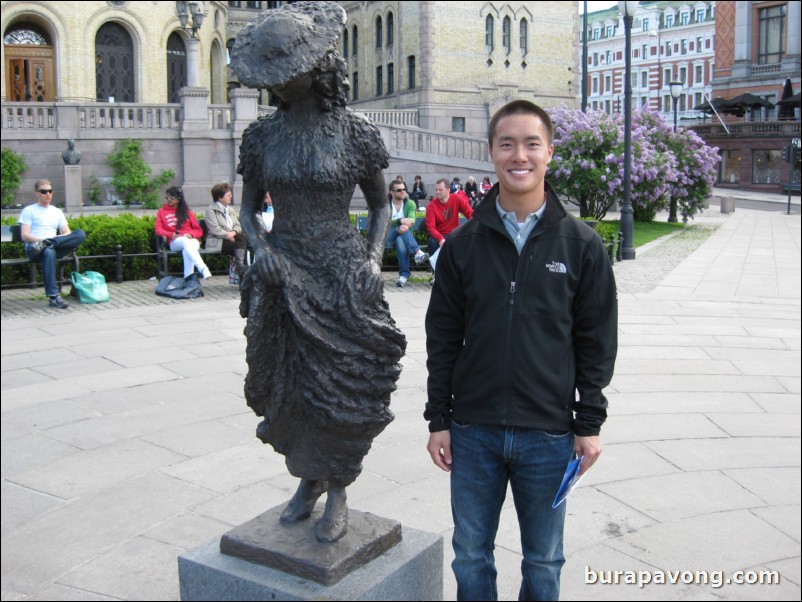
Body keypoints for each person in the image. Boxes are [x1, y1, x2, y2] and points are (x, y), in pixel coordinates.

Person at [424, 100, 618, 601]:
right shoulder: (464, 246)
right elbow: (443, 336)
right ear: (491, 152)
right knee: (470, 556)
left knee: (545, 562)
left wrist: (589, 423)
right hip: (474, 432)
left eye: (532, 143)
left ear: (549, 151)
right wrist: (438, 417)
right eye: (507, 143)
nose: (520, 155)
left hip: (548, 435)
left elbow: (596, 341)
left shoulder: (581, 245)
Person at [231, 1, 405, 543]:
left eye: (287, 75)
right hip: (284, 270)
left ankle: (341, 488)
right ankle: (308, 479)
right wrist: (262, 249)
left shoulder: (355, 133)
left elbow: (380, 207)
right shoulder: (262, 137)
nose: (278, 86)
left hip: (341, 271)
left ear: (316, 69)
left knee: (344, 388)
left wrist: (373, 259)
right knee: (287, 382)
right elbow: (245, 209)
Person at [18, 179, 87, 309]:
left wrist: (52, 240)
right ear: (37, 193)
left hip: (52, 246)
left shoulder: (57, 212)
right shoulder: (29, 210)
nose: (48, 194)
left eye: (50, 191)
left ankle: (49, 242)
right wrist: (40, 241)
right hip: (35, 248)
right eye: (44, 191)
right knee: (48, 251)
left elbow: (67, 233)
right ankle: (54, 297)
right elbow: (24, 235)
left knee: (80, 234)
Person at [154, 186, 212, 280]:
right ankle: (203, 268)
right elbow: (158, 229)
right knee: (185, 241)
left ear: (178, 199)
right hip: (175, 241)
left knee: (187, 249)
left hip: (191, 240)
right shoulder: (162, 212)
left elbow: (198, 230)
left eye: (171, 198)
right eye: (167, 197)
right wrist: (170, 234)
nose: (168, 200)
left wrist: (191, 234)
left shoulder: (187, 212)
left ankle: (188, 279)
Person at [387, 180, 429, 287]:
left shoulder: (410, 203)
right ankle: (417, 252)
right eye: (399, 190)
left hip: (402, 236)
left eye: (404, 189)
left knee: (400, 239)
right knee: (399, 230)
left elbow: (412, 219)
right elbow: (384, 222)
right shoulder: (386, 205)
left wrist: (405, 224)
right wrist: (399, 221)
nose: (403, 192)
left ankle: (403, 276)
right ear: (392, 192)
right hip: (387, 238)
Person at [204, 182, 249, 275]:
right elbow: (214, 229)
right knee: (241, 247)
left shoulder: (230, 210)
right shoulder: (210, 210)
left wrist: (233, 232)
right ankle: (242, 275)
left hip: (233, 238)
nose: (231, 196)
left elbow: (237, 225)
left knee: (241, 241)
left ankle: (240, 267)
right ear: (220, 197)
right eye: (228, 195)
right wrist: (228, 235)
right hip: (217, 240)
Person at [424, 177, 473, 256]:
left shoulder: (456, 198)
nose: (437, 192)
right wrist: (440, 239)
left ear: (448, 190)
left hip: (454, 234)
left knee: (469, 240)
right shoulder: (431, 206)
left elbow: (470, 213)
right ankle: (436, 267)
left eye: (440, 189)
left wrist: (471, 228)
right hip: (439, 235)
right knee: (432, 242)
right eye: (436, 189)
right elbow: (431, 228)